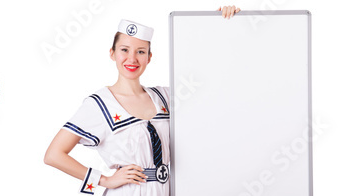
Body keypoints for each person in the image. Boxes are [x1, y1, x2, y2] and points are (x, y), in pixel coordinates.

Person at [44, 6, 240, 195]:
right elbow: (53, 155)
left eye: (140, 51)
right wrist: (105, 180)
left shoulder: (166, 96)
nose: (132, 59)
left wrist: (220, 26)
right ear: (112, 53)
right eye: (124, 50)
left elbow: (214, 88)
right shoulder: (99, 104)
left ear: (149, 57)